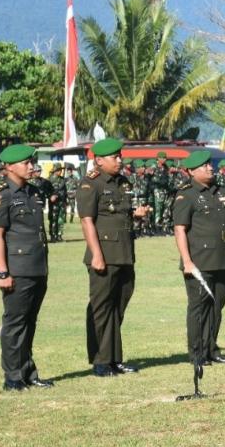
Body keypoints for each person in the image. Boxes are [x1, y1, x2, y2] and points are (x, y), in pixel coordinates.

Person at [76, 138, 149, 377]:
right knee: (101, 308)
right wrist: (97, 255)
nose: (120, 160)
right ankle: (100, 361)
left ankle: (114, 359)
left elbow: (120, 214)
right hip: (104, 255)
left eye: (120, 156)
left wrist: (137, 214)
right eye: (114, 157)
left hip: (124, 253)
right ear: (99, 160)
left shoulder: (123, 182)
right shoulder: (91, 184)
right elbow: (87, 221)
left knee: (118, 307)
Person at [0, 144, 53, 391]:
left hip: (37, 266)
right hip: (17, 268)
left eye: (31, 162)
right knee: (15, 323)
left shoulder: (32, 191)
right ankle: (13, 377)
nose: (31, 166)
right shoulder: (0, 194)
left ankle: (28, 372)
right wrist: (2, 272)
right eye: (26, 163)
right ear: (9, 167)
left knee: (30, 322)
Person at [173, 151, 225, 367]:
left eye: (210, 164)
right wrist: (187, 261)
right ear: (191, 171)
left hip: (221, 259)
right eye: (204, 165)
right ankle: (197, 353)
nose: (210, 168)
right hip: (199, 261)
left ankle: (211, 349)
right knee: (199, 308)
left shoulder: (220, 191)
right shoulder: (186, 195)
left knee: (217, 306)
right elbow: (180, 230)